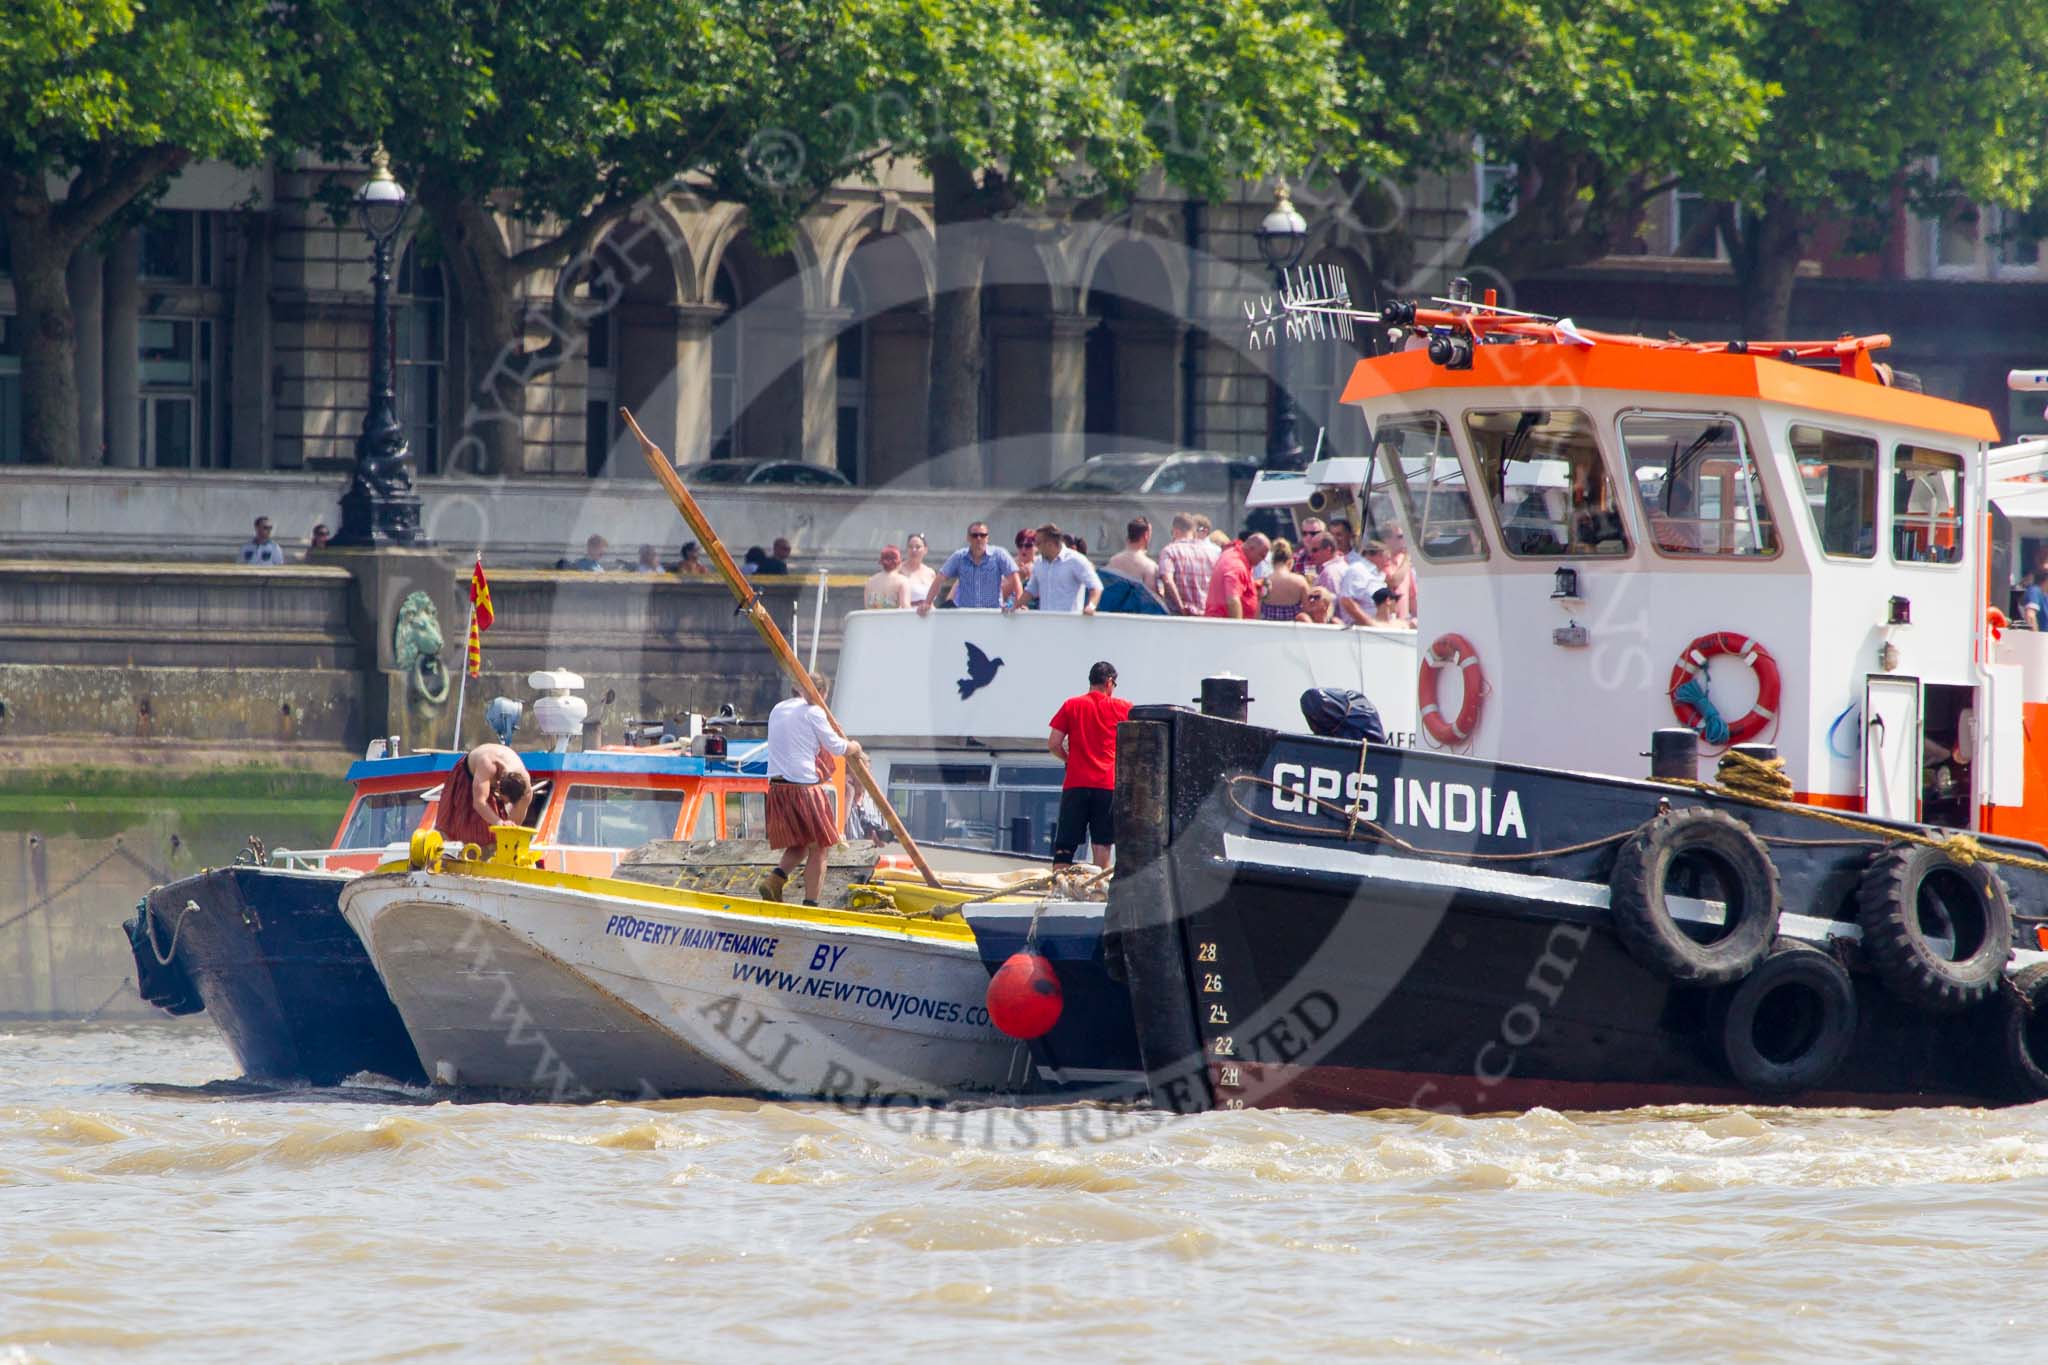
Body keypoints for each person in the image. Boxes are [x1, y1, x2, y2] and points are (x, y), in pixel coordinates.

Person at [761, 673, 858, 906]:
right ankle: (811, 904)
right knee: (822, 847)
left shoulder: (777, 709)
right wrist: (855, 746)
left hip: (777, 788)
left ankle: (774, 880)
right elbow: (836, 747)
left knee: (801, 843)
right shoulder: (814, 711)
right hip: (802, 787)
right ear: (821, 694)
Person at [1049, 661, 1132, 869]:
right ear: (1110, 682)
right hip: (1106, 785)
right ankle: (1098, 892)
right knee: (1101, 844)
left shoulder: (1071, 705)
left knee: (1064, 846)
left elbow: (1053, 744)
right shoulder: (1123, 708)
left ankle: (1058, 892)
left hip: (1076, 783)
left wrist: (1070, 759)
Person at [434, 742, 534, 854]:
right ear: (498, 785)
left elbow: (513, 824)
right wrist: (499, 822)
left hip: (493, 781)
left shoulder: (526, 790)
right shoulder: (487, 764)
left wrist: (507, 834)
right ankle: (442, 855)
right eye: (502, 799)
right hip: (468, 776)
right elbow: (479, 803)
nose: (504, 803)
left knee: (493, 840)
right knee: (454, 831)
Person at [924, 521, 1021, 614]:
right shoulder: (959, 557)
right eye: (975, 535)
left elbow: (1015, 578)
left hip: (992, 615)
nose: (979, 538)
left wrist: (1019, 604)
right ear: (968, 538)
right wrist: (927, 603)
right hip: (966, 616)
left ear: (987, 538)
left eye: (982, 535)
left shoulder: (999, 554)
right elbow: (940, 577)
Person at [1027, 522, 1102, 614]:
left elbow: (1096, 586)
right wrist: (1014, 607)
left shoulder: (1076, 560)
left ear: (1050, 544)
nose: (1036, 548)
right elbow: (1030, 590)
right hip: (1045, 624)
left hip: (1070, 624)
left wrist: (1091, 606)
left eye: (1038, 544)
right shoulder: (1039, 563)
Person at [1157, 513, 1219, 616]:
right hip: (1206, 615)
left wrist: (1181, 607)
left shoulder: (1170, 550)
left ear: (1175, 531)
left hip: (1179, 617)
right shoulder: (1213, 552)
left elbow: (1167, 580)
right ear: (1194, 531)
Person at [1203, 533, 1270, 618]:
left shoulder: (1234, 553)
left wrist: (1257, 586)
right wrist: (1238, 629)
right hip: (1223, 626)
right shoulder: (1236, 565)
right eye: (1261, 556)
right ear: (1251, 548)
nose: (1261, 561)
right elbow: (1232, 601)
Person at [1105, 516, 1159, 595]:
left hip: (1115, 607)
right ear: (1146, 535)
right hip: (1137, 607)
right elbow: (1150, 599)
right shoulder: (1149, 566)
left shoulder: (1113, 561)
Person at [1260, 539, 1311, 621]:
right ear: (1290, 562)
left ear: (1272, 561)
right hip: (1293, 632)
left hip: (1269, 631)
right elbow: (1308, 610)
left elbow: (1258, 611)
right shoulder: (1300, 581)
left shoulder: (1265, 582)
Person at [1382, 525, 1418, 621]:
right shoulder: (1382, 560)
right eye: (1400, 537)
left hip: (1403, 621)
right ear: (1387, 539)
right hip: (1388, 620)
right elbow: (1393, 581)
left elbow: (1412, 596)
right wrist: (1408, 556)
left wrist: (1416, 618)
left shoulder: (1404, 561)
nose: (1404, 540)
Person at [900, 532, 937, 606]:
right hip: (907, 614)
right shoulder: (899, 570)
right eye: (910, 547)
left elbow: (932, 602)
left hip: (928, 614)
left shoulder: (930, 572)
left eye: (918, 547)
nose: (914, 550)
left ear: (925, 550)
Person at [1013, 528, 1038, 596]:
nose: (1023, 549)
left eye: (1028, 545)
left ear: (1037, 547)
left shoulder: (1042, 564)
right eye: (1020, 545)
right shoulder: (1009, 565)